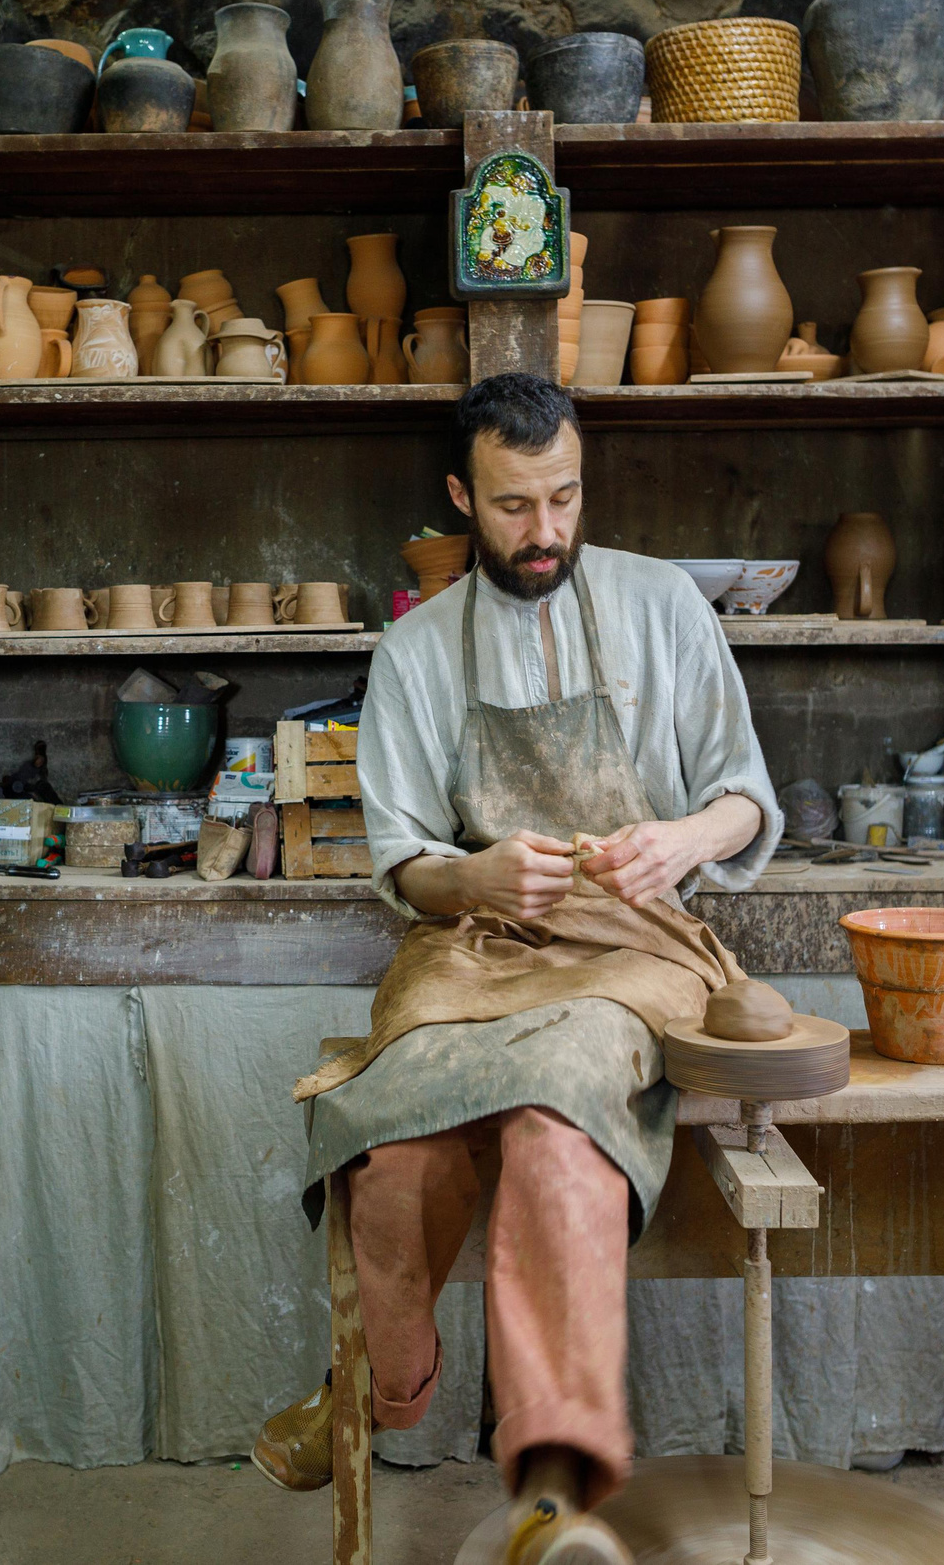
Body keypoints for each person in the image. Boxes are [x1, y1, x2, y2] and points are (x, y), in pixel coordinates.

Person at [255, 374, 780, 1563]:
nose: (544, 532)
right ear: (460, 498)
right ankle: (369, 1392)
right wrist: (474, 877)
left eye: (563, 498)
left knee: (556, 1124)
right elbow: (401, 859)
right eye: (511, 506)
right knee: (393, 1147)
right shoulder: (414, 648)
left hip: (632, 946)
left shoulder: (662, 606)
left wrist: (683, 839)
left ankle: (552, 1485)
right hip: (472, 946)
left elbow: (747, 793)